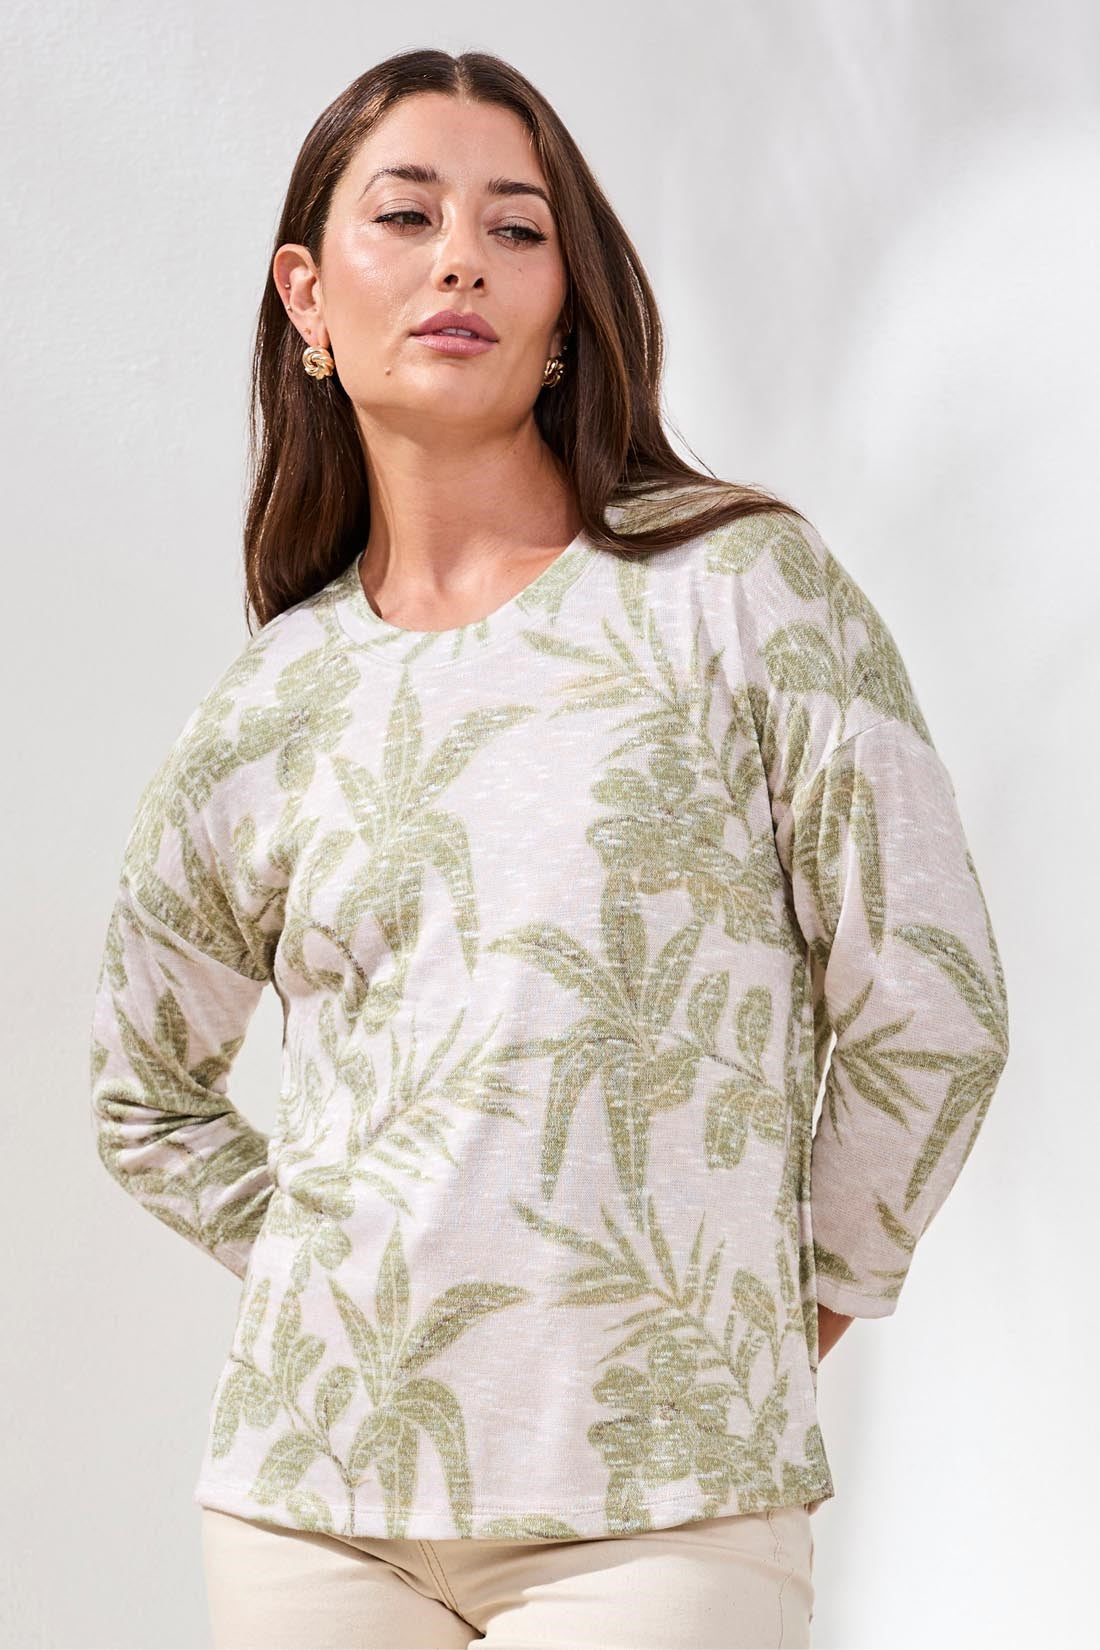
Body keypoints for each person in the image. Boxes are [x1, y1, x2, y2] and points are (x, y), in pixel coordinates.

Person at [88, 46, 1010, 1650]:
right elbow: (140, 1086)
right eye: (407, 215)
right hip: (311, 1510)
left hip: (664, 1500)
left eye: (517, 229)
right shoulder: (275, 697)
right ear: (307, 298)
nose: (462, 258)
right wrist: (333, 1267)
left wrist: (768, 1306)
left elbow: (930, 1001)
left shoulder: (740, 592)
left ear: (568, 309)